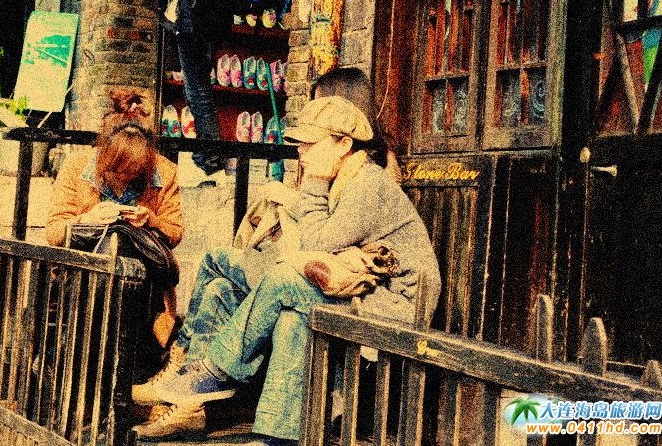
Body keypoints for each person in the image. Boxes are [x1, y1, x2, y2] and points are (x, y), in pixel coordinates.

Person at [132, 78, 441, 443]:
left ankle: (214, 371)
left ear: (344, 144)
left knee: (283, 280)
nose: (301, 153)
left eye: (311, 144)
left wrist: (312, 183)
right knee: (286, 313)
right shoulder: (347, 175)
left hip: (389, 306)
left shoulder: (368, 184)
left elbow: (316, 242)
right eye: (300, 144)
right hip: (356, 291)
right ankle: (275, 437)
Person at [46, 121, 184, 362]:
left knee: (121, 243)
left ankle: (71, 356)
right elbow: (54, 232)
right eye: (116, 171)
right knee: (110, 247)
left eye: (133, 173)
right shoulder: (78, 165)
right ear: (104, 158)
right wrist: (87, 219)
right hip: (82, 275)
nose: (124, 177)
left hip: (142, 280)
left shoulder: (165, 171)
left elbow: (175, 232)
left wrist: (150, 220)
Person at [163, 0, 250, 175]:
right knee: (198, 85)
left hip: (196, 9)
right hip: (215, 13)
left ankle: (209, 156)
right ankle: (208, 153)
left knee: (197, 87)